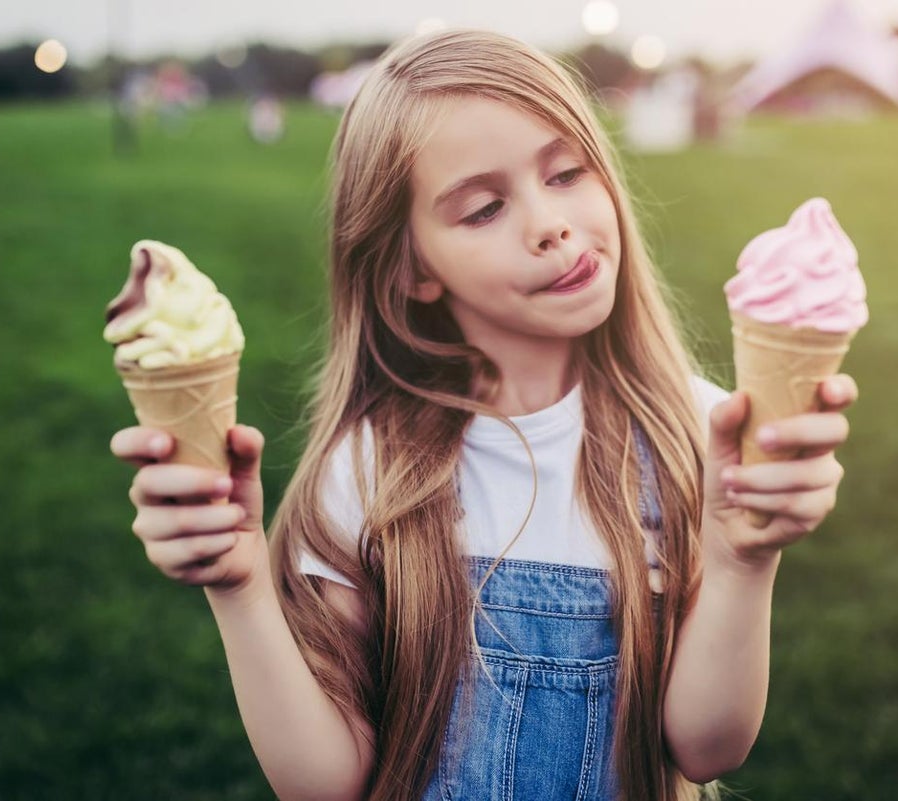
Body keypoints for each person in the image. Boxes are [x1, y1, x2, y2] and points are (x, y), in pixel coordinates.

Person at [109, 29, 858, 801]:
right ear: (412, 269)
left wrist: (743, 560)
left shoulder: (697, 432)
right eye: (484, 208)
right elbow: (325, 783)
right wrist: (238, 589)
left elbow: (705, 747)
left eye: (567, 172)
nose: (549, 223)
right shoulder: (368, 471)